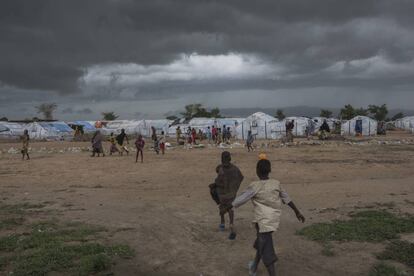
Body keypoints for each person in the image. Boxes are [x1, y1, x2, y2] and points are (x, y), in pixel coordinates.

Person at [232, 158, 305, 276]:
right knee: (262, 242)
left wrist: (228, 205)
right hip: (273, 221)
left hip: (262, 222)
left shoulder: (255, 186)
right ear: (269, 170)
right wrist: (297, 212)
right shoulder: (276, 183)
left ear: (257, 171)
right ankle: (254, 267)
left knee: (266, 250)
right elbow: (287, 198)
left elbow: (240, 200)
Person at [211, 151, 244, 240]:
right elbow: (241, 177)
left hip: (222, 194)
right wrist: (234, 187)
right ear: (230, 158)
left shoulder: (220, 169)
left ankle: (222, 222)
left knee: (221, 206)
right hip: (231, 194)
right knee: (230, 208)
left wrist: (215, 185)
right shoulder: (235, 169)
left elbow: (218, 181)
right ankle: (231, 223)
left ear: (222, 159)